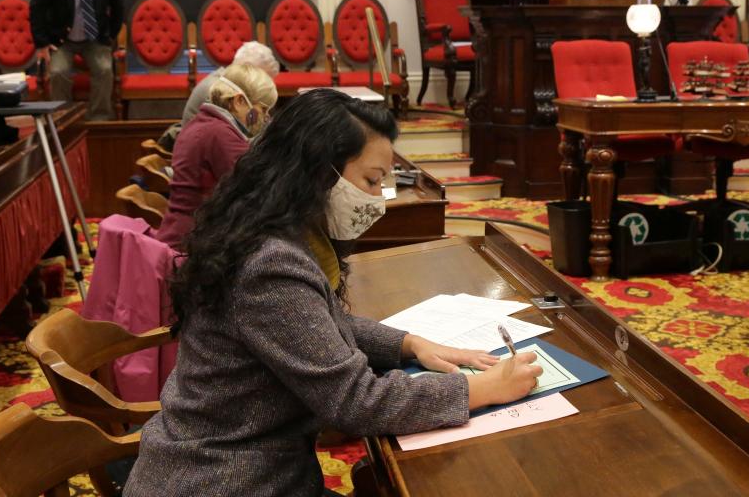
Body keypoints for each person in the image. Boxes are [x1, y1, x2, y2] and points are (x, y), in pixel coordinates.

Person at [125, 89, 542, 496]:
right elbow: (356, 402)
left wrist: (409, 344)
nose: (379, 200)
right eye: (371, 180)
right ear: (319, 172)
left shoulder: (270, 230)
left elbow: (318, 322)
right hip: (225, 478)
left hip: (232, 462)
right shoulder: (270, 264)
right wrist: (482, 390)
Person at [154, 63, 278, 249]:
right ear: (239, 101)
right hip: (195, 244)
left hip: (182, 232)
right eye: (261, 110)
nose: (264, 119)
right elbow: (256, 194)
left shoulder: (202, 123)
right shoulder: (221, 135)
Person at [30, 0, 124, 120]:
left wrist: (109, 36)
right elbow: (37, 10)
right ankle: (64, 118)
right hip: (62, 40)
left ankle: (100, 118)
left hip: (94, 38)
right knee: (58, 72)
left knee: (104, 70)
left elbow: (118, 7)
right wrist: (42, 43)